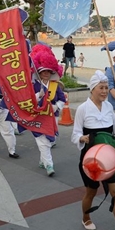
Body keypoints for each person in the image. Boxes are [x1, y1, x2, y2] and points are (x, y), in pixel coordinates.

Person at [72, 71, 115, 230]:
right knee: (91, 192)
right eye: (101, 87)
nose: (104, 91)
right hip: (91, 160)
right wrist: (82, 138)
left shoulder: (109, 107)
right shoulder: (83, 109)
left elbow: (114, 130)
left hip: (109, 158)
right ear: (92, 89)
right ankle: (86, 218)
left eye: (106, 88)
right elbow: (75, 134)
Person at [31, 45, 66, 176]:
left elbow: (62, 98)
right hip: (38, 117)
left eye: (48, 71)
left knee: (49, 140)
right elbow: (27, 101)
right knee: (42, 140)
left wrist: (57, 106)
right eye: (43, 71)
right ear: (38, 73)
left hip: (53, 116)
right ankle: (49, 165)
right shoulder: (33, 86)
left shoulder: (54, 85)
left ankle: (42, 160)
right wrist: (37, 96)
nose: (45, 74)